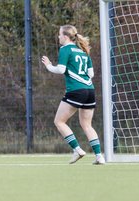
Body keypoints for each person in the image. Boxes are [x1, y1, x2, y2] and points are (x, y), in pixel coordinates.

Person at [41, 25, 105, 165]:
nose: (58, 37)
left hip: (76, 91)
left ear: (65, 36)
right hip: (90, 90)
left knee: (59, 121)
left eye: (59, 34)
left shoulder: (65, 49)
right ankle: (99, 156)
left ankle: (77, 150)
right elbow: (91, 74)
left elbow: (61, 69)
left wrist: (48, 66)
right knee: (87, 125)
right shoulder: (83, 50)